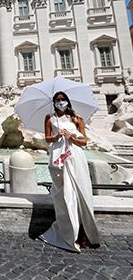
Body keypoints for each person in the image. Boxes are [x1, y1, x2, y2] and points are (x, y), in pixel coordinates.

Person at [39, 92, 100, 252]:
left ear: (67, 101)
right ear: (53, 102)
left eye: (63, 99)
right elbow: (47, 138)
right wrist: (56, 136)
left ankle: (85, 233)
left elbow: (84, 142)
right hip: (58, 157)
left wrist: (72, 138)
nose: (61, 102)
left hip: (75, 156)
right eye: (58, 100)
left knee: (81, 194)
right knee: (64, 196)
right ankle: (69, 233)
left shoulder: (77, 118)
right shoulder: (49, 118)